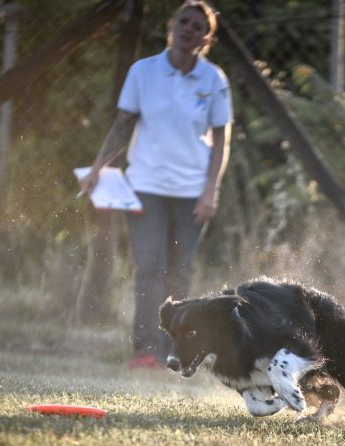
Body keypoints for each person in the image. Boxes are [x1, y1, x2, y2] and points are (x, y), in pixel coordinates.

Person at [79, 0, 232, 368]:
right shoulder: (143, 72)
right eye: (184, 21)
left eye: (198, 25)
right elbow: (123, 125)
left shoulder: (214, 80)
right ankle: (145, 350)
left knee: (179, 271)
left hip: (192, 194)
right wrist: (99, 166)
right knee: (149, 267)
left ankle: (174, 354)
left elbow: (221, 140)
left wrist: (211, 190)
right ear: (172, 26)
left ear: (206, 37)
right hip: (145, 186)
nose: (189, 29)